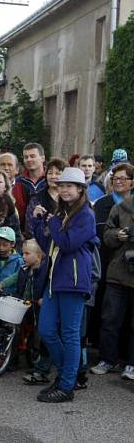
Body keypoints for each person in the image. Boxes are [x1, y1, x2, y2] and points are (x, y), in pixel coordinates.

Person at [30, 167, 97, 403]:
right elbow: (48, 241)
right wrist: (39, 221)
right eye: (62, 186)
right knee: (46, 330)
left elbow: (68, 243)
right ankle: (68, 374)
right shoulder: (62, 214)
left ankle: (67, 385)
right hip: (54, 280)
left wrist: (53, 220)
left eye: (70, 185)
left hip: (74, 282)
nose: (65, 189)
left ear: (80, 189)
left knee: (69, 334)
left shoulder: (85, 214)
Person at [91, 190, 134, 379]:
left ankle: (132, 364)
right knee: (110, 319)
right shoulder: (122, 207)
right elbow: (106, 235)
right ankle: (108, 359)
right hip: (118, 273)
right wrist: (118, 235)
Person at [19, 240, 51, 386]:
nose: (23, 256)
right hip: (28, 305)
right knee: (31, 333)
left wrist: (43, 298)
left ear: (38, 255)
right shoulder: (26, 268)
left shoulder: (44, 269)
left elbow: (48, 284)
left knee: (43, 336)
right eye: (23, 253)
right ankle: (38, 366)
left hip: (40, 306)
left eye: (27, 253)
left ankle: (42, 368)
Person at [0, 227, 25, 331]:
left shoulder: (18, 261)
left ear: (12, 244)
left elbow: (19, 281)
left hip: (9, 304)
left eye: (5, 245)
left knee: (7, 331)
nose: (1, 248)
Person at [25, 158, 66, 236]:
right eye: (50, 173)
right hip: (41, 240)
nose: (53, 176)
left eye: (58, 173)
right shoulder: (37, 198)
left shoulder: (69, 198)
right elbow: (30, 225)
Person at [13, 143, 47, 231]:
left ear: (42, 158)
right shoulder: (19, 182)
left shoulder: (50, 179)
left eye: (32, 156)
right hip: (25, 232)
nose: (29, 159)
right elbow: (19, 209)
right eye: (26, 157)